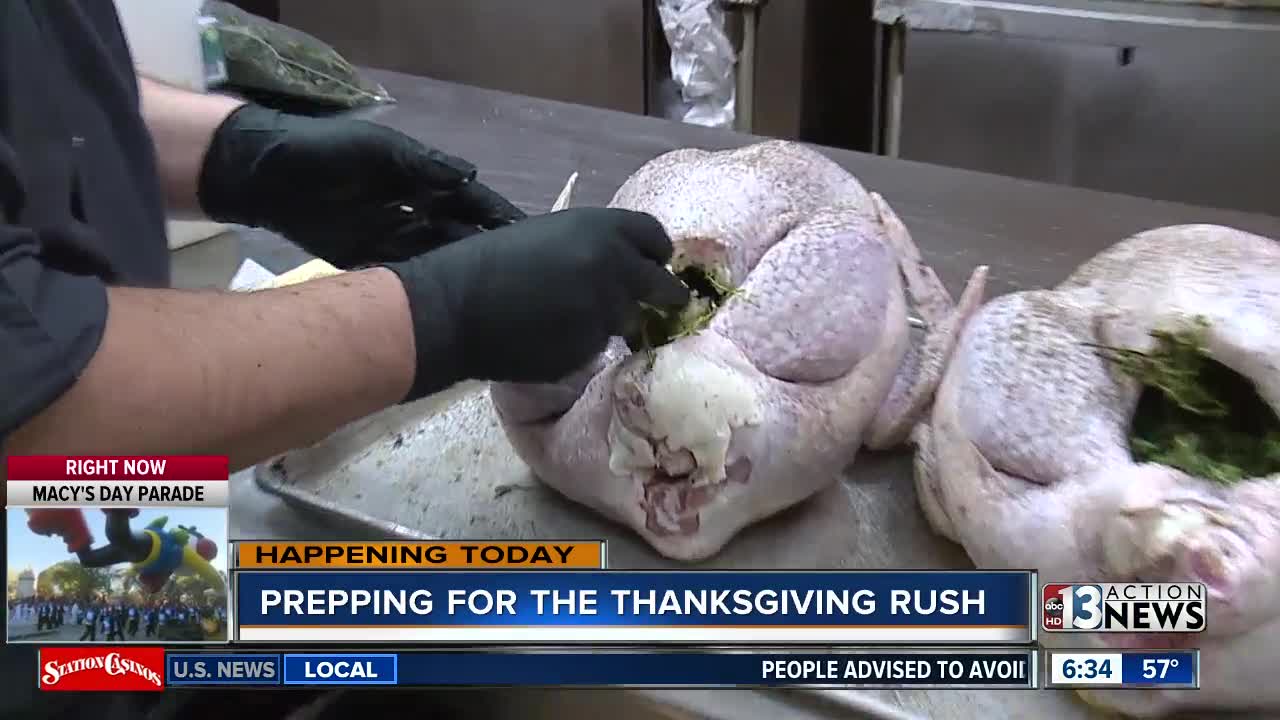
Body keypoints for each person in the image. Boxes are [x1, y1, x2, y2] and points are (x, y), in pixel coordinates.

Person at [0, 1, 688, 468]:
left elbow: (39, 82)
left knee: (119, 663)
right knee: (81, 674)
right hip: (32, 581)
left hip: (101, 524)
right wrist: (444, 312)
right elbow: (37, 406)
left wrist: (236, 154)